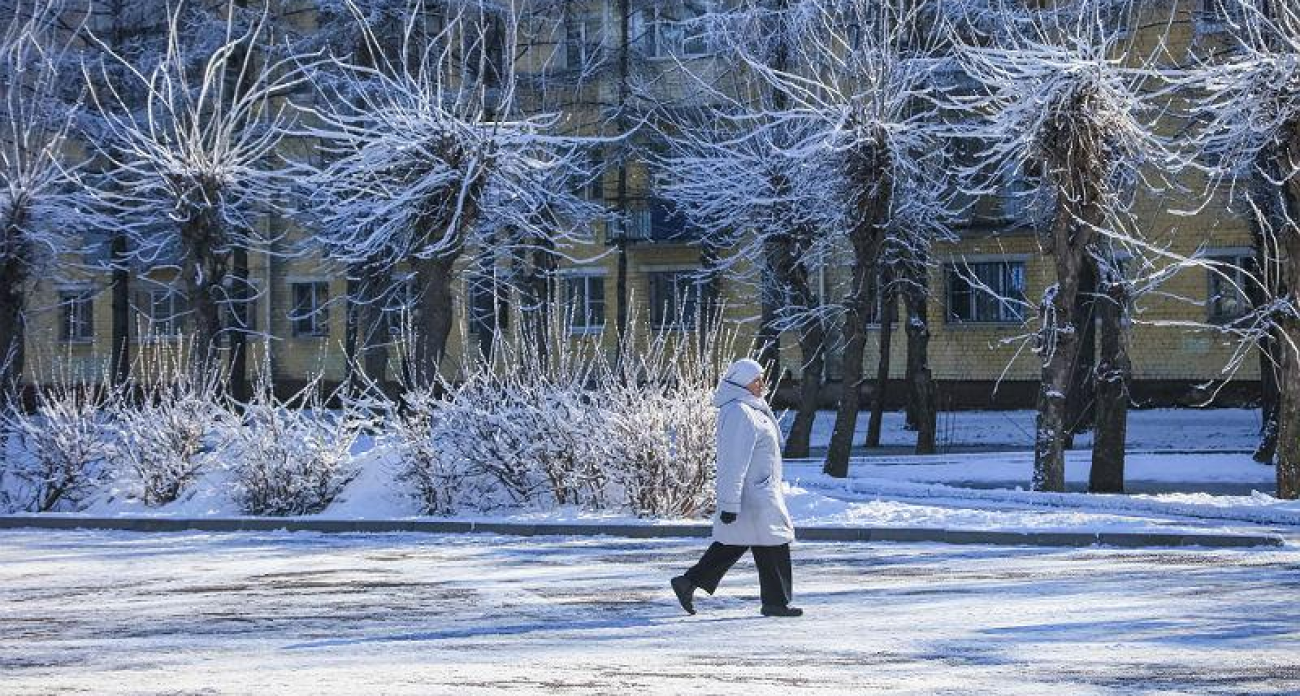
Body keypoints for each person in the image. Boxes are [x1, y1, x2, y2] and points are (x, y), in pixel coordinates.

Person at [671, 358, 802, 618]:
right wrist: (729, 504)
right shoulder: (739, 412)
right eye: (756, 380)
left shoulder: (752, 408)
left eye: (762, 379)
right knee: (769, 542)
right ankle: (775, 602)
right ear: (741, 381)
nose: (762, 384)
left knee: (747, 543)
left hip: (759, 492)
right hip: (752, 495)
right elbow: (732, 461)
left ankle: (689, 582)